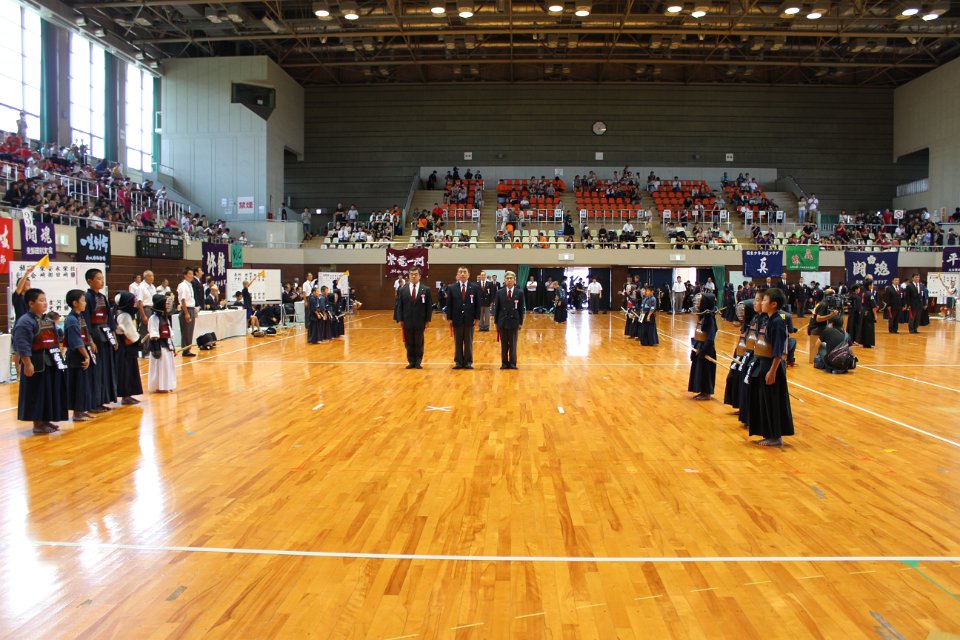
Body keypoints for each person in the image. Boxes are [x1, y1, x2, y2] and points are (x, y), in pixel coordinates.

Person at [14, 289, 68, 434]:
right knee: (36, 393)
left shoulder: (48, 320)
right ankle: (37, 424)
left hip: (51, 361)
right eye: (41, 300)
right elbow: (22, 344)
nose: (45, 303)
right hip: (36, 363)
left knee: (48, 392)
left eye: (45, 300)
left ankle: (45, 420)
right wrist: (27, 363)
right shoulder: (24, 322)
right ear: (31, 303)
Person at [749, 288, 794, 446]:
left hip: (772, 367)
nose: (761, 303)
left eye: (764, 300)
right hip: (763, 365)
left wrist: (773, 371)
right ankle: (768, 433)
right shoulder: (768, 320)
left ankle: (775, 436)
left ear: (774, 304)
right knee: (765, 401)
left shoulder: (777, 322)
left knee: (773, 401)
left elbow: (778, 351)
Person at [84, 268, 118, 411]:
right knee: (97, 370)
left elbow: (109, 318)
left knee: (106, 369)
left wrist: (113, 336)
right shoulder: (87, 298)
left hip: (106, 334)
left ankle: (103, 399)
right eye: (98, 278)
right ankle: (94, 402)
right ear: (90, 281)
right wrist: (90, 341)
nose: (102, 281)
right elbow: (85, 321)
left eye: (102, 278)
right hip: (95, 335)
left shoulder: (103, 297)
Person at [63, 289, 95, 423]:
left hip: (84, 353)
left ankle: (82, 410)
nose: (85, 303)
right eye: (83, 301)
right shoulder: (71, 320)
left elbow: (85, 334)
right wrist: (86, 356)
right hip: (76, 357)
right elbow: (76, 341)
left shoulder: (80, 316)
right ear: (75, 303)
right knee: (77, 384)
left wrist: (91, 347)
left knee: (84, 384)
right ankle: (77, 413)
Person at [395, 266, 432, 369]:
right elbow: (399, 306)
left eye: (415, 274)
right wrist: (400, 319)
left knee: (419, 342)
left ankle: (418, 362)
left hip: (420, 320)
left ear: (420, 276)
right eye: (411, 274)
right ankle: (411, 361)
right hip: (407, 320)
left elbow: (428, 306)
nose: (413, 276)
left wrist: (428, 320)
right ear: (409, 276)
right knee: (409, 342)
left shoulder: (426, 289)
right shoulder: (403, 290)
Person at [445, 266, 481, 369]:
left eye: (464, 272)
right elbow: (449, 304)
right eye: (460, 272)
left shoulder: (475, 287)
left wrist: (477, 318)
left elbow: (478, 304)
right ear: (457, 274)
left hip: (470, 319)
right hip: (457, 319)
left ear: (468, 275)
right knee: (458, 341)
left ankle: (468, 362)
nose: (462, 274)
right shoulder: (452, 288)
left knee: (468, 341)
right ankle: (458, 362)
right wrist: (449, 318)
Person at [113, 292, 143, 404]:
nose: (134, 304)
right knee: (127, 370)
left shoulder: (117, 312)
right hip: (125, 346)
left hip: (123, 346)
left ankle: (127, 395)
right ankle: (126, 396)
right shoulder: (124, 315)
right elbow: (130, 332)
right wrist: (138, 340)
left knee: (126, 370)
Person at [688, 292, 718, 400]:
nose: (697, 304)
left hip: (707, 348)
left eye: (699, 302)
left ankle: (706, 393)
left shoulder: (710, 319)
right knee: (699, 370)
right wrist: (694, 348)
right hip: (699, 345)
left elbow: (710, 337)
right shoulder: (702, 317)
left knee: (706, 371)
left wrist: (704, 350)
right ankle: (701, 391)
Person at [493, 271, 524, 369]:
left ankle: (513, 363)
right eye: (507, 278)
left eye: (511, 278)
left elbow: (521, 309)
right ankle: (504, 363)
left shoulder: (519, 292)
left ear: (515, 280)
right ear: (504, 280)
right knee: (504, 344)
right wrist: (496, 322)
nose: (509, 280)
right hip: (502, 322)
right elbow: (497, 308)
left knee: (513, 344)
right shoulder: (499, 292)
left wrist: (520, 322)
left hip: (514, 321)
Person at [147, 294, 176, 392]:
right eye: (166, 303)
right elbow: (154, 335)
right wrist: (156, 349)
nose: (168, 305)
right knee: (160, 367)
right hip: (159, 346)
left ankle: (167, 385)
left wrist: (173, 348)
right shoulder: (153, 318)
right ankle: (159, 387)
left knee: (168, 367)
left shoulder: (165, 318)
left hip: (167, 345)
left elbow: (169, 334)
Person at [807, 288, 839, 364]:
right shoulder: (824, 305)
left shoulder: (821, 303)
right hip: (817, 328)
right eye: (833, 296)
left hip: (815, 327)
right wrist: (832, 315)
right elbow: (818, 319)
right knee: (834, 335)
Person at [177, 268, 197, 357]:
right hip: (186, 309)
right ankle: (185, 350)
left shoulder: (190, 285)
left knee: (190, 331)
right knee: (186, 331)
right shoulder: (182, 286)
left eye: (192, 274)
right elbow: (183, 300)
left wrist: (194, 310)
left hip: (191, 309)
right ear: (185, 275)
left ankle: (188, 349)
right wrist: (186, 313)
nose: (192, 276)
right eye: (190, 274)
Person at [860, 278, 878, 349]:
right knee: (869, 328)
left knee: (864, 327)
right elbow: (873, 306)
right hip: (869, 312)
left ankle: (864, 342)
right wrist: (875, 315)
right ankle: (868, 343)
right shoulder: (870, 294)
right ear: (869, 285)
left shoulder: (863, 293)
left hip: (864, 311)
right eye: (872, 284)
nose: (872, 286)